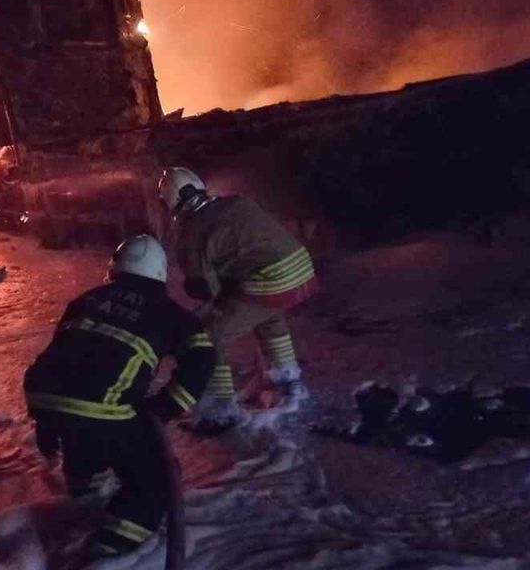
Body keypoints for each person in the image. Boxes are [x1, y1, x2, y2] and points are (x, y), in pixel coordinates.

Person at [24, 234, 214, 560]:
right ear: (160, 274)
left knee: (86, 430)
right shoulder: (170, 313)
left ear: (115, 268)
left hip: (42, 396)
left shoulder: (86, 299)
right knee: (157, 478)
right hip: (101, 406)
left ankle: (86, 492)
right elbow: (203, 357)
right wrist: (166, 407)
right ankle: (108, 548)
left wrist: (45, 420)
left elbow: (64, 362)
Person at [158, 167, 319, 435]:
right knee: (268, 316)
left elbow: (205, 290)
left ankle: (220, 410)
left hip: (270, 280)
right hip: (301, 267)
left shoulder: (190, 234)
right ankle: (289, 383)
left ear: (170, 202)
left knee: (209, 336)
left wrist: (202, 312)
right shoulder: (236, 202)